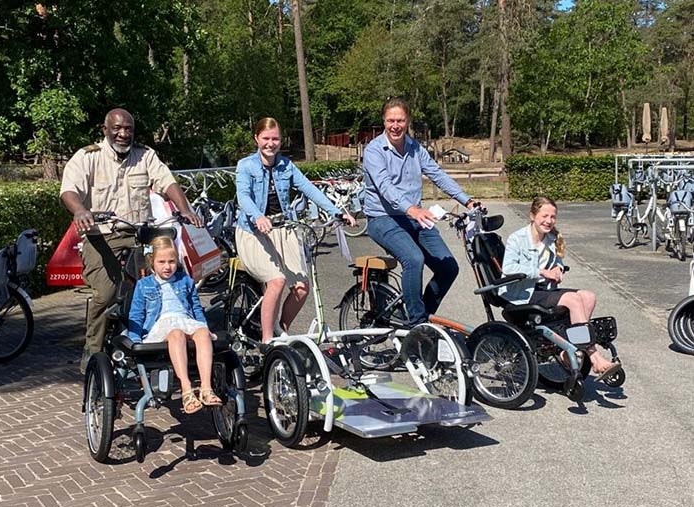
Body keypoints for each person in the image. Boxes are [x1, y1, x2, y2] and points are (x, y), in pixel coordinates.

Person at [60, 108, 202, 374]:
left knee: (171, 279)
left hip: (140, 234)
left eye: (128, 129)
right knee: (106, 294)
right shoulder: (88, 157)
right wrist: (80, 210)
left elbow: (168, 183)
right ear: (105, 130)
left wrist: (184, 208)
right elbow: (69, 190)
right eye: (117, 128)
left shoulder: (145, 155)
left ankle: (175, 340)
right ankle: (93, 351)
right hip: (102, 236)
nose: (123, 134)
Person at [235, 117, 355, 344]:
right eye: (266, 138)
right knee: (277, 280)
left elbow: (310, 189)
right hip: (253, 231)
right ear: (256, 139)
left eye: (275, 139)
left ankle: (281, 329)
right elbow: (243, 196)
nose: (271, 144)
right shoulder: (246, 166)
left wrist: (338, 212)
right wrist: (258, 216)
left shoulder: (286, 166)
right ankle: (267, 341)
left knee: (301, 288)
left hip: (283, 228)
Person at [363, 97, 474, 326]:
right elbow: (385, 187)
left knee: (448, 267)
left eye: (400, 120)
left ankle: (421, 314)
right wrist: (411, 209)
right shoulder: (374, 150)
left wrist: (468, 201)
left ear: (407, 121)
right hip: (383, 219)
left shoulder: (415, 148)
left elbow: (437, 174)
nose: (395, 126)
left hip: (414, 217)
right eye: (391, 120)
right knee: (414, 259)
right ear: (383, 121)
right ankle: (415, 325)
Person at [500, 196, 622, 380]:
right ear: (532, 215)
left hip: (544, 290)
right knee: (572, 300)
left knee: (588, 296)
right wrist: (542, 272)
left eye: (553, 217)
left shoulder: (551, 238)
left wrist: (558, 269)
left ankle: (568, 349)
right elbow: (508, 269)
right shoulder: (517, 238)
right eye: (544, 216)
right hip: (523, 293)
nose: (549, 221)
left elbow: (557, 262)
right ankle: (594, 356)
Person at [127, 236, 221, 414]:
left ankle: (206, 388)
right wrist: (134, 338)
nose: (167, 266)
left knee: (202, 333)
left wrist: (204, 326)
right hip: (161, 323)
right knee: (175, 334)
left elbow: (195, 308)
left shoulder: (185, 281)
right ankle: (186, 389)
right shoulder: (143, 285)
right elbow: (136, 314)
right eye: (161, 262)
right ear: (151, 262)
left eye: (171, 261)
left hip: (185, 319)